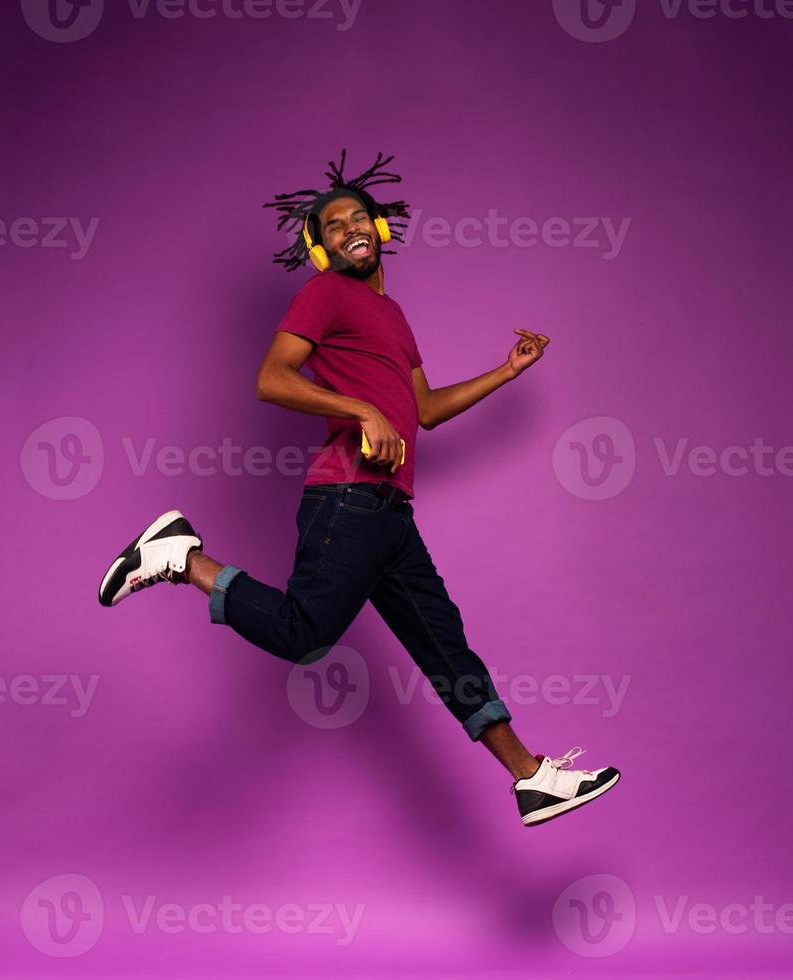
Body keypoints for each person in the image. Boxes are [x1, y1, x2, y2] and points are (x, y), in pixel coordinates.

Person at [99, 151, 619, 827]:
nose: (347, 225)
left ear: (380, 228)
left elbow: (424, 409)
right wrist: (360, 411)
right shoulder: (325, 295)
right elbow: (272, 377)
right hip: (345, 499)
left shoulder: (391, 314)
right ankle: (180, 557)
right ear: (319, 248)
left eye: (355, 216)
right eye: (331, 223)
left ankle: (532, 778)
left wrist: (505, 371)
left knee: (447, 650)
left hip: (391, 515)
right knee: (302, 634)